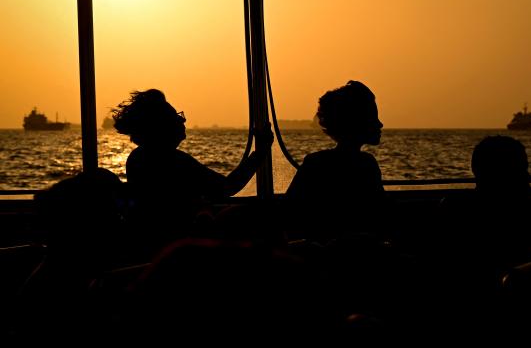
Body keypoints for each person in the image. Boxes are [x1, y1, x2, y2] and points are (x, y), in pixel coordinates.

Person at [112, 89, 272, 237]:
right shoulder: (172, 160)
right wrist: (261, 152)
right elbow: (226, 187)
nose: (183, 120)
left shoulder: (138, 157)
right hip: (178, 239)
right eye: (176, 117)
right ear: (161, 126)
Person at [286, 80, 386, 241]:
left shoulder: (315, 162)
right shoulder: (366, 165)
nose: (380, 124)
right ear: (355, 122)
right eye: (373, 117)